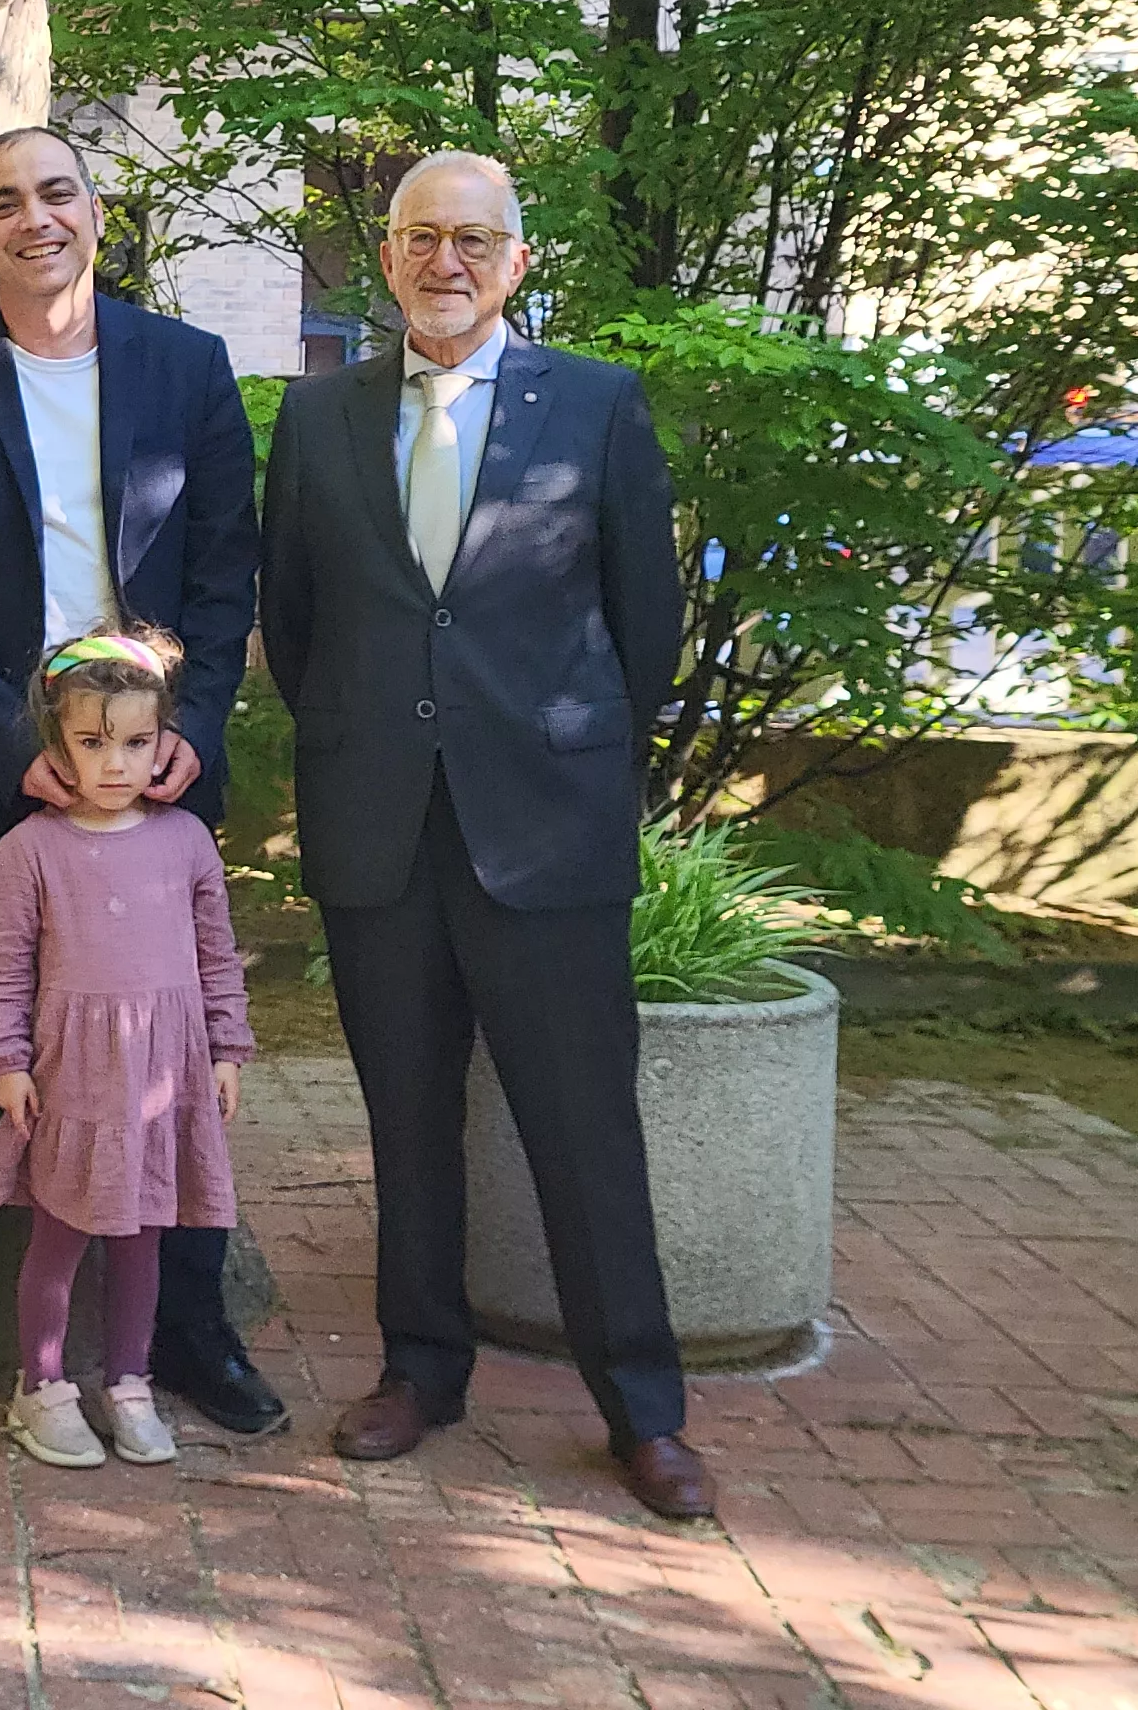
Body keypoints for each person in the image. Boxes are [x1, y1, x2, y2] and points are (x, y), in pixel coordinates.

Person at [256, 148, 715, 1520]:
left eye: (472, 239)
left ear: (516, 262)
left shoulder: (598, 408)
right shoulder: (321, 416)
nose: (442, 261)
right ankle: (421, 1368)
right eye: (416, 237)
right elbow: (297, 622)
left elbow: (646, 625)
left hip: (546, 835)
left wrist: (563, 757)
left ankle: (642, 1408)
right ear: (386, 256)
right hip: (380, 827)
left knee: (584, 1129)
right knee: (406, 1120)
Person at [0, 125, 286, 1436]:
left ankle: (194, 1337)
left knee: (173, 1056)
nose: (33, 219)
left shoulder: (186, 367)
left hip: (154, 781)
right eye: (3, 204)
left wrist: (186, 724)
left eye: (55, 193)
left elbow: (224, 567)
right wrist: (14, 747)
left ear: (95, 213)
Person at [0, 626, 255, 1470]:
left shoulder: (187, 842)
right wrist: (8, 1060)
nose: (115, 764)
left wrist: (226, 1048)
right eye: (92, 743)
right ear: (56, 742)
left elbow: (216, 954)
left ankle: (129, 1383)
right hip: (74, 1075)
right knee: (59, 1238)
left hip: (162, 1077)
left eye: (136, 743)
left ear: (164, 740)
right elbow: (7, 964)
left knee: (143, 1237)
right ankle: (43, 1387)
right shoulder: (28, 850)